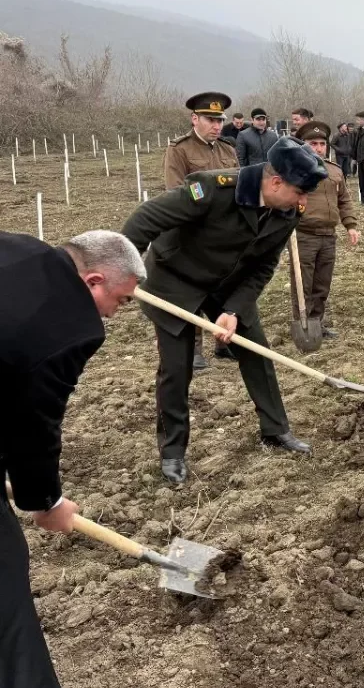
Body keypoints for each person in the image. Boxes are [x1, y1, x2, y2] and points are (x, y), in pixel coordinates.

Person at [1, 231, 143, 688]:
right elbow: (35, 423)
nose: (114, 316)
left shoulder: (20, 247)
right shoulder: (72, 325)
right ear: (94, 280)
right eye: (120, 301)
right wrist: (46, 501)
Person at [122, 138, 326, 483]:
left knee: (257, 350)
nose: (303, 201)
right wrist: (123, 271)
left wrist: (233, 309)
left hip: (227, 285)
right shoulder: (213, 189)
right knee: (176, 366)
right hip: (175, 280)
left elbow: (262, 267)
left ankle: (275, 429)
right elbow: (146, 219)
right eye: (299, 192)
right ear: (276, 182)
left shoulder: (288, 211)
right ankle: (173, 452)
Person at [165, 93, 240, 371]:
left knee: (223, 289)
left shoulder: (227, 150)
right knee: (193, 291)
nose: (217, 125)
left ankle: (224, 342)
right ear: (194, 119)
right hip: (195, 232)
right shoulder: (180, 150)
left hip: (225, 234)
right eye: (210, 120)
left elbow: (237, 186)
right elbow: (178, 190)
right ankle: (194, 349)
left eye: (220, 120)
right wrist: (205, 204)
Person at [293, 121, 360, 339]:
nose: (319, 148)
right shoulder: (293, 170)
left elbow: (344, 200)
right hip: (303, 235)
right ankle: (302, 326)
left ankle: (316, 323)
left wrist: (350, 225)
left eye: (322, 143)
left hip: (328, 236)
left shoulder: (334, 170)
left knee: (322, 284)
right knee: (303, 284)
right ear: (302, 145)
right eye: (313, 143)